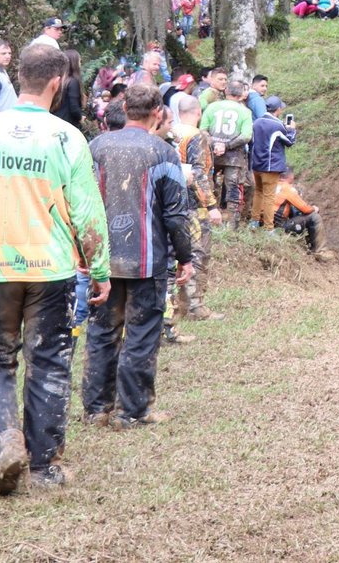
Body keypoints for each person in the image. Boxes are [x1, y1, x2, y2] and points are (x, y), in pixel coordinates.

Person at [0, 43, 110, 493]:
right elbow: (87, 214)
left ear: (19, 77)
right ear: (58, 83)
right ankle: (44, 468)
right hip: (51, 270)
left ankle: (5, 441)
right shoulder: (67, 137)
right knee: (50, 363)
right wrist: (99, 269)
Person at [83, 83, 193, 430]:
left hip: (102, 258)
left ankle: (97, 409)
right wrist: (185, 257)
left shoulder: (95, 147)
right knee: (142, 333)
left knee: (102, 332)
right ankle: (132, 411)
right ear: (158, 113)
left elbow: (79, 203)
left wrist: (82, 250)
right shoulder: (163, 153)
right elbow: (175, 214)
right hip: (147, 258)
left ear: (124, 107)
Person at [170, 95, 223, 320]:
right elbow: (199, 172)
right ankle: (194, 306)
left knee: (177, 254)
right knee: (198, 253)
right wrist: (210, 205)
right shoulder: (196, 135)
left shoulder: (171, 132)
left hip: (172, 201)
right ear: (199, 112)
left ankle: (176, 304)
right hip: (194, 203)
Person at [201, 81, 255, 227]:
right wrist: (227, 145)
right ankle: (232, 225)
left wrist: (214, 144)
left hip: (212, 153)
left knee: (208, 185)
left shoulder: (212, 107)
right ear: (241, 95)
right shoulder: (245, 111)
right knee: (233, 188)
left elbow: (203, 129)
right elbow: (246, 136)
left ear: (226, 91)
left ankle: (207, 220)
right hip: (235, 156)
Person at [248, 96, 297, 229]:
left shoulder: (257, 122)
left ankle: (254, 221)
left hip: (256, 165)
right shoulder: (277, 125)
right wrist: (292, 129)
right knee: (269, 196)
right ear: (279, 109)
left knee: (258, 192)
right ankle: (268, 228)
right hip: (270, 167)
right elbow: (289, 141)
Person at [273, 167, 328, 258]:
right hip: (278, 227)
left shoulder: (270, 185)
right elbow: (305, 209)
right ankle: (319, 251)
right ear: (289, 176)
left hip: (264, 224)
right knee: (314, 217)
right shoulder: (288, 189)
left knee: (293, 211)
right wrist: (314, 208)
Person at [51, 49, 85, 131]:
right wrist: (80, 117)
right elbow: (74, 107)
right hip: (68, 125)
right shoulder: (73, 82)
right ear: (74, 63)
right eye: (79, 62)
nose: (80, 64)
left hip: (55, 121)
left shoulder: (59, 81)